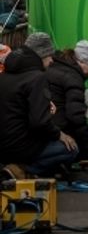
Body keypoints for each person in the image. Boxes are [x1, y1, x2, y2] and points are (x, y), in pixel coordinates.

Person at [0, 43, 78, 179]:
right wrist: (59, 134)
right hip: (20, 146)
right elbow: (39, 122)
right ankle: (21, 170)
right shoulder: (37, 78)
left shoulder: (4, 77)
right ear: (40, 57)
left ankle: (12, 167)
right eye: (49, 56)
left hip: (3, 145)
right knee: (70, 148)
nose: (52, 61)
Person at [45, 40, 88, 161]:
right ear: (82, 62)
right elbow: (75, 116)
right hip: (53, 134)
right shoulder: (73, 77)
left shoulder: (54, 66)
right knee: (72, 149)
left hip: (43, 131)